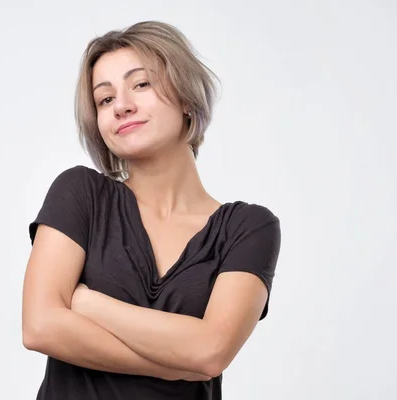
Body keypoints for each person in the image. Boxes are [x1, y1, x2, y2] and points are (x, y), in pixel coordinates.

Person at [22, 20, 281, 400]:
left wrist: (87, 303)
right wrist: (177, 365)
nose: (122, 106)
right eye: (105, 99)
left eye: (141, 84)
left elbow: (211, 352)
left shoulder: (248, 228)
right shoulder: (80, 194)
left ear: (187, 98)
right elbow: (40, 326)